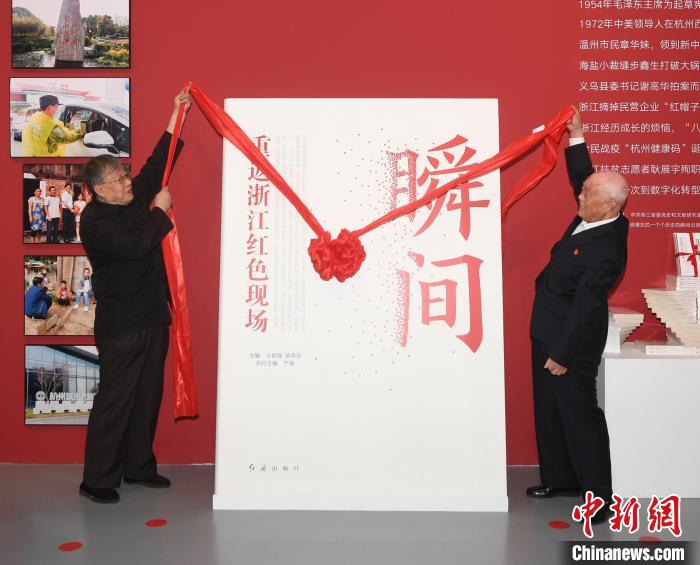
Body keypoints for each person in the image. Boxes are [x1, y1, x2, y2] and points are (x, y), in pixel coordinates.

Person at [78, 88, 191, 504]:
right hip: (121, 325)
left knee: (146, 396)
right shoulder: (94, 221)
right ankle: (97, 480)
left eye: (125, 176)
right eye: (119, 180)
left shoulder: (129, 197)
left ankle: (138, 466)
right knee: (115, 399)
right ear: (98, 189)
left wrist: (176, 114)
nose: (128, 182)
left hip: (152, 315)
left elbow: (156, 165)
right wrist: (160, 211)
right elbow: (137, 246)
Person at [527, 108, 629, 526]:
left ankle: (600, 499)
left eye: (587, 196)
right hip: (547, 326)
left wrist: (563, 353)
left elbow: (587, 307)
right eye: (584, 192)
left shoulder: (608, 249)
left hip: (572, 341)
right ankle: (562, 479)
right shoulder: (595, 206)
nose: (579, 198)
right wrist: (578, 136)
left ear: (609, 206)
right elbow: (584, 176)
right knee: (549, 410)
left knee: (580, 416)